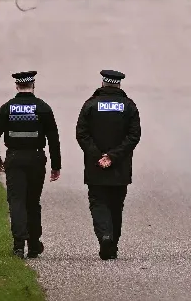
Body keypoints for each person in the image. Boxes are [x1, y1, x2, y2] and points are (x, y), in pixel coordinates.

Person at [0, 70, 62, 259]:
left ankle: (19, 245)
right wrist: (56, 165)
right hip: (37, 160)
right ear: (33, 85)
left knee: (17, 201)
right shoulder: (43, 108)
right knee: (32, 202)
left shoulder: (8, 108)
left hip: (14, 159)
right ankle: (34, 245)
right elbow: (53, 138)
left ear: (17, 86)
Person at [76, 69, 142, 260]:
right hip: (119, 167)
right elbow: (134, 136)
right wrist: (113, 156)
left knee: (98, 202)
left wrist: (98, 156)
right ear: (119, 84)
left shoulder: (90, 105)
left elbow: (82, 134)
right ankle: (112, 245)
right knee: (116, 205)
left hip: (96, 166)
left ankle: (105, 235)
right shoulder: (129, 106)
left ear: (103, 83)